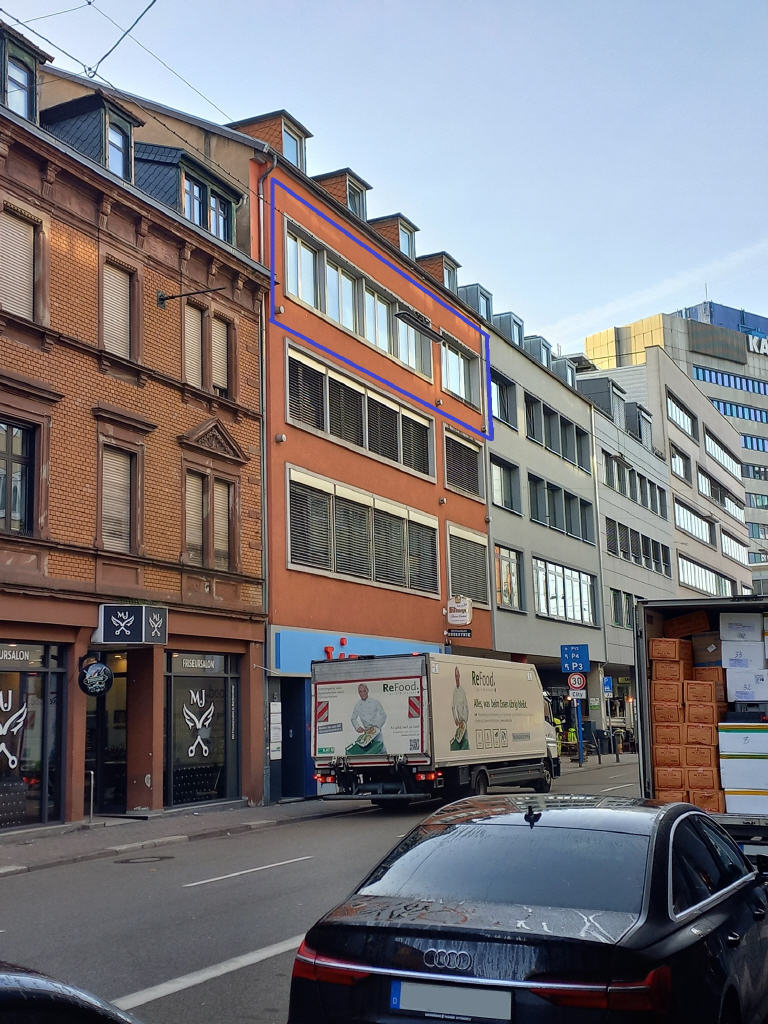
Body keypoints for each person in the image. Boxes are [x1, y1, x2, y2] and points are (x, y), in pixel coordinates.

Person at [350, 683, 387, 751]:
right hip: (367, 732)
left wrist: (377, 726)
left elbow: (383, 715)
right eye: (360, 691)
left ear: (367, 690)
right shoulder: (358, 705)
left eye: (364, 691)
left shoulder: (375, 702)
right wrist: (357, 727)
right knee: (370, 751)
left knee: (381, 749)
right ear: (358, 693)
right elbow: (353, 718)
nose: (362, 693)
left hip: (376, 731)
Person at [450, 666, 470, 750]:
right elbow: (453, 707)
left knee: (465, 740)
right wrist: (456, 719)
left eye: (457, 675)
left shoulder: (462, 691)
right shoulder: (455, 691)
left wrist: (464, 720)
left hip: (463, 722)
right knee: (458, 739)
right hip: (459, 723)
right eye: (455, 676)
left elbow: (466, 707)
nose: (456, 677)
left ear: (459, 676)